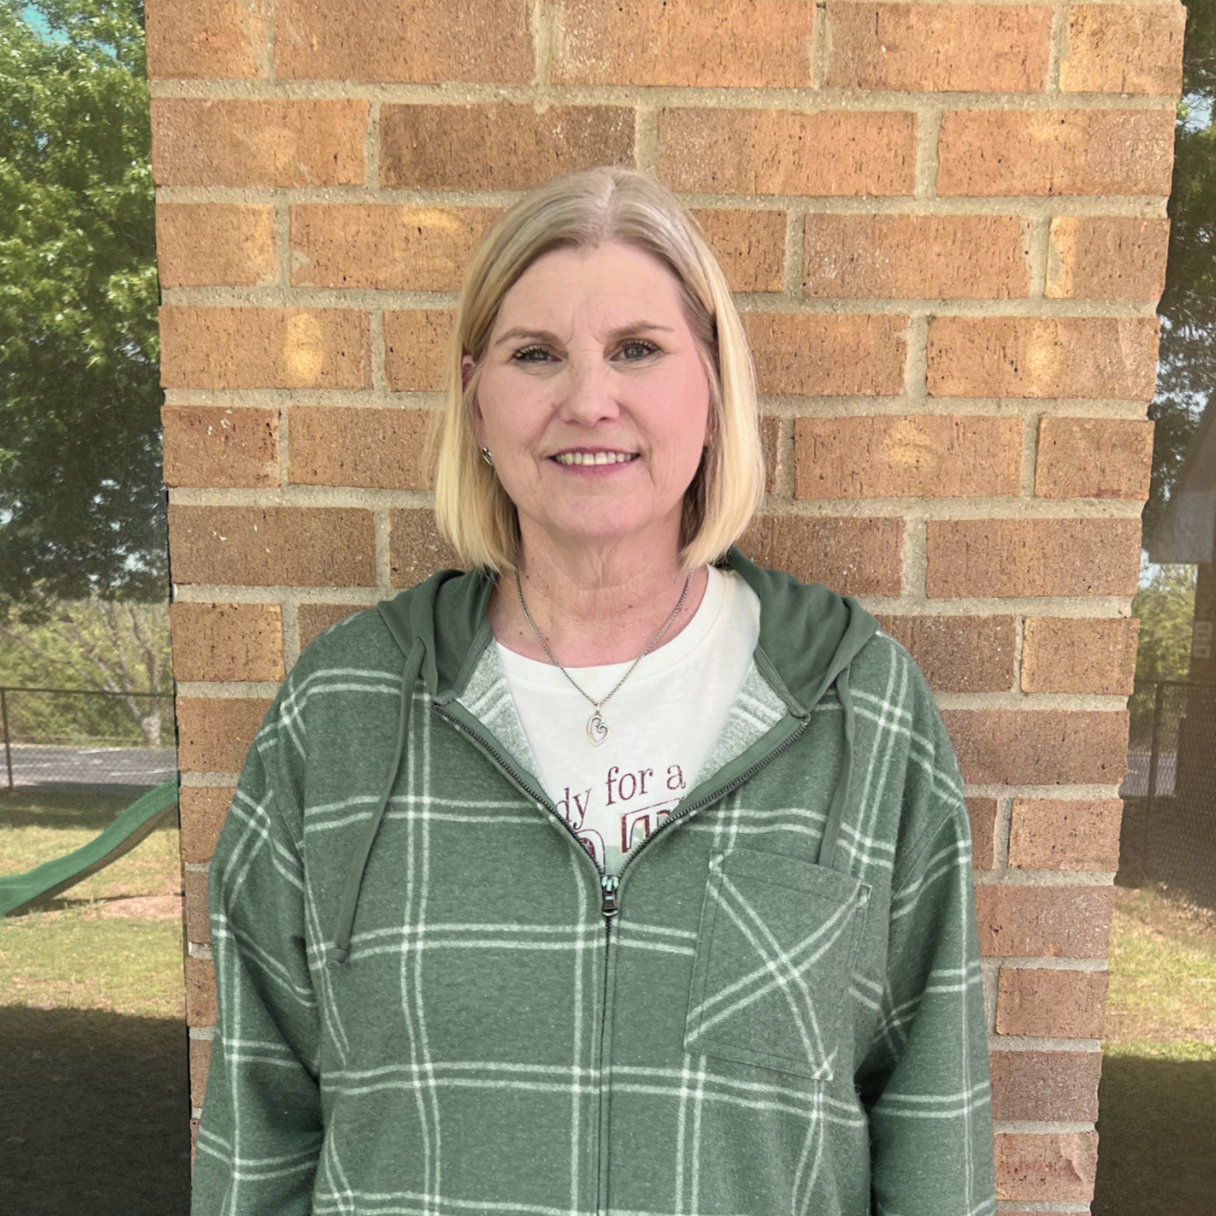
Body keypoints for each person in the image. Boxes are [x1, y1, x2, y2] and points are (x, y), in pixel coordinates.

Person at [193, 166, 995, 1216]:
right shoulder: (341, 711)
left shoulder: (856, 708)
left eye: (637, 350)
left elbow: (931, 1109)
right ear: (478, 401)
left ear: (711, 389)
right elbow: (261, 1120)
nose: (588, 400)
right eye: (536, 356)